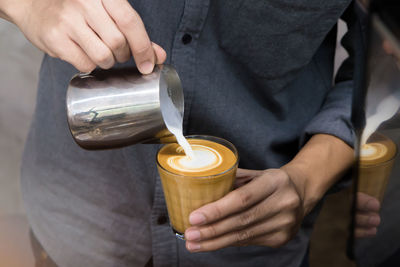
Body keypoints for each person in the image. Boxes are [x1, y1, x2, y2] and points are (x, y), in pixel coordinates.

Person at [0, 0, 372, 266]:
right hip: (77, 224)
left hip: (253, 246)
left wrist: (308, 178)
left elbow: (384, 65)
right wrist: (30, 5)